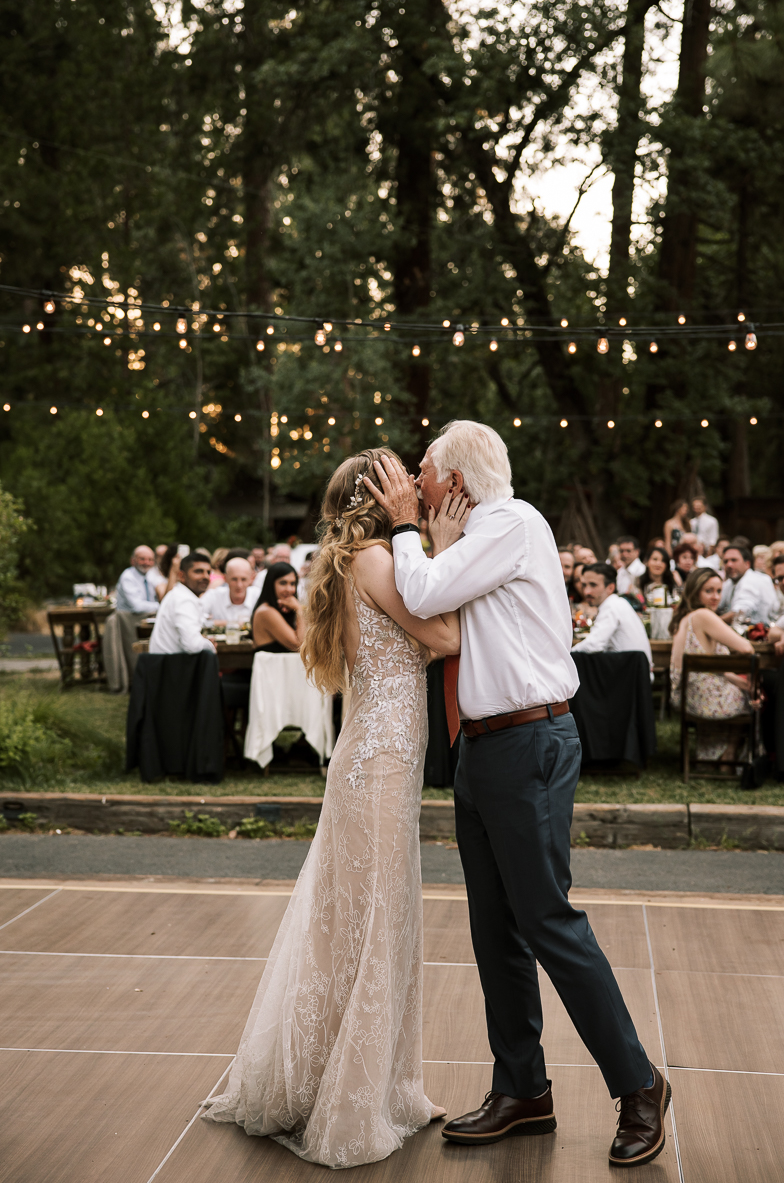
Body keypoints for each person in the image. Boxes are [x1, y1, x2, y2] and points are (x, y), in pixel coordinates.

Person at [366, 422, 668, 1169]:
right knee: (495, 928)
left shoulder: (512, 521)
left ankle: (639, 1086)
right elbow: (443, 605)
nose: (415, 484)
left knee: (548, 921)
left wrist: (407, 528)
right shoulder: (478, 538)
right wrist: (426, 536)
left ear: (458, 483)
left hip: (529, 742)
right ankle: (523, 1088)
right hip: (485, 746)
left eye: (425, 473)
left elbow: (424, 589)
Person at [202, 448, 463, 1167]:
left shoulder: (356, 561)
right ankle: (352, 1099)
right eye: (401, 474)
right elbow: (444, 637)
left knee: (360, 919)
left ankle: (371, 1082)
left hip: (375, 762)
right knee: (374, 918)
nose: (415, 479)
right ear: (378, 494)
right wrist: (448, 553)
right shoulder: (379, 561)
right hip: (378, 766)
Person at [669, 567, 758, 767]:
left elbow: (711, 668)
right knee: (755, 699)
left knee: (745, 689)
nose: (715, 597)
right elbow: (746, 648)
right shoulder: (703, 616)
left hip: (686, 697)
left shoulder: (685, 617)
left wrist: (741, 682)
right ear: (695, 591)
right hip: (705, 698)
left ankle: (718, 755)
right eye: (709, 591)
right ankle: (730, 754)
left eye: (719, 591)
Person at [571, 563, 654, 675]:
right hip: (634, 676)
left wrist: (567, 655)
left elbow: (594, 644)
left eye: (593, 585)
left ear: (610, 587)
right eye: (584, 585)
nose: (587, 592)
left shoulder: (611, 606)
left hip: (630, 680)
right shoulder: (618, 603)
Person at [148, 552, 216, 654]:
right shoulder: (184, 599)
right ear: (182, 575)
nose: (205, 576)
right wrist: (210, 645)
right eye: (198, 571)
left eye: (208, 572)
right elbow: (193, 646)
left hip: (167, 663)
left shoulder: (178, 594)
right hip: (170, 665)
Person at [250, 562, 305, 652]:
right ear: (271, 584)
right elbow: (300, 645)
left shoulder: (281, 609)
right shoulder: (266, 612)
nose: (289, 589)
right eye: (283, 583)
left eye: (292, 584)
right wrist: (299, 610)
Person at [718, 543, 778, 626]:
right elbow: (718, 604)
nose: (729, 564)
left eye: (734, 560)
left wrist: (710, 621)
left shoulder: (752, 579)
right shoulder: (730, 582)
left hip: (761, 635)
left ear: (747, 564)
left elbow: (740, 612)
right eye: (725, 561)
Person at [201, 557, 256, 625]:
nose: (239, 585)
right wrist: (232, 624)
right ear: (225, 578)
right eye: (234, 579)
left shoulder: (259, 597)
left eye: (243, 579)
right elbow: (195, 618)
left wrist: (216, 623)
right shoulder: (213, 595)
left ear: (251, 579)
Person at [115, 546, 160, 614]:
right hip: (128, 619)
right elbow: (137, 607)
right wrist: (162, 606)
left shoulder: (151, 575)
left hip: (146, 617)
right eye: (142, 559)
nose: (147, 563)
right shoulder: (128, 577)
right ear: (133, 561)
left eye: (150, 559)